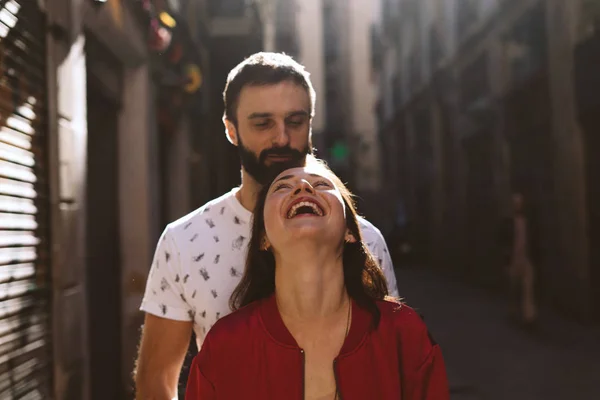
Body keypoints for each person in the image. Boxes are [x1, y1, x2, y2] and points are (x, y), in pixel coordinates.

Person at [135, 52, 399, 399]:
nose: (282, 138)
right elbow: (156, 381)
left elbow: (390, 372)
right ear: (231, 129)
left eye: (295, 121)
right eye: (263, 123)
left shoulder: (364, 240)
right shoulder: (184, 241)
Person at [185, 162, 449, 400]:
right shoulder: (225, 344)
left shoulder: (404, 333)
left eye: (322, 184)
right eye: (283, 186)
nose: (303, 186)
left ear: (350, 232)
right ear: (263, 238)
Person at [504, 192, 538, 328]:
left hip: (526, 258)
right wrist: (506, 259)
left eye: (520, 203)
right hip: (513, 259)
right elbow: (502, 240)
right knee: (513, 286)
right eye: (516, 203)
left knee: (528, 287)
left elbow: (534, 240)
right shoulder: (508, 222)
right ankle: (512, 310)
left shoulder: (528, 222)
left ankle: (529, 316)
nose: (518, 206)